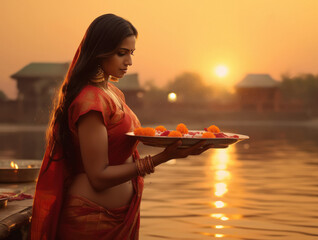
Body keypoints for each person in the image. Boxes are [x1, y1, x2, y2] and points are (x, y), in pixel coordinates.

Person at [30, 14, 212, 240]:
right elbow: (98, 176)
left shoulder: (113, 93)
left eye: (131, 53)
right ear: (100, 51)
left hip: (118, 217)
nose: (129, 62)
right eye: (121, 53)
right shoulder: (90, 101)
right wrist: (162, 157)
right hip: (91, 219)